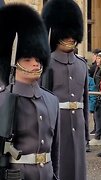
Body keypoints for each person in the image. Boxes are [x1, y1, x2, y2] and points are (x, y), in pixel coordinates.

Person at [0, 4, 60, 179]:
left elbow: (54, 151)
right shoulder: (3, 99)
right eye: (27, 59)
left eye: (38, 58)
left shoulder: (51, 100)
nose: (36, 64)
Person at [41, 0, 88, 179]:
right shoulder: (47, 64)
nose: (70, 37)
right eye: (65, 33)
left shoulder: (82, 64)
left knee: (78, 170)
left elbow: (83, 102)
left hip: (76, 125)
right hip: (56, 127)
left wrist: (85, 132)